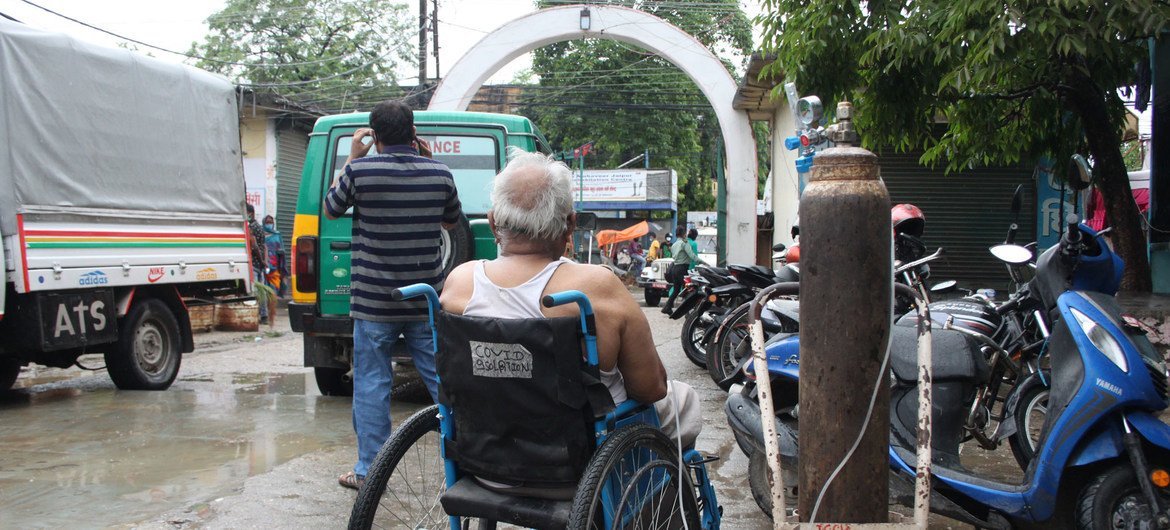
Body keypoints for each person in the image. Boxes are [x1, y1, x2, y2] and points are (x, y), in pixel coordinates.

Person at [440, 150, 701, 450]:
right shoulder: (594, 287)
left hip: (485, 459)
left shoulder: (460, 283)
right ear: (571, 225)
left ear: (493, 222)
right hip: (582, 464)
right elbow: (650, 388)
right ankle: (667, 495)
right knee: (685, 400)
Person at [324, 100, 463, 490]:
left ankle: (369, 471)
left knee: (372, 383)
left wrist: (352, 155)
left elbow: (332, 209)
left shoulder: (359, 170)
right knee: (442, 379)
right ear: (413, 132)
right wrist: (430, 165)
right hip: (423, 301)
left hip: (373, 304)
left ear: (375, 135)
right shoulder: (439, 172)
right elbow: (451, 220)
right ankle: (470, 457)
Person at [661, 226, 698, 314]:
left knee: (677, 290)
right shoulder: (690, 243)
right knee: (689, 290)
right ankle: (687, 312)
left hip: (675, 268)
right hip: (685, 269)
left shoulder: (675, 244)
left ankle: (667, 307)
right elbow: (693, 257)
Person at [246, 204, 268, 323]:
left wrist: (261, 260)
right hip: (260, 265)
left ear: (250, 213)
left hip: (255, 264)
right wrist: (265, 261)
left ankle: (253, 316)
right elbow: (264, 246)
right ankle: (264, 315)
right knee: (262, 290)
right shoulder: (259, 227)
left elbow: (254, 246)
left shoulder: (251, 227)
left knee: (254, 291)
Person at [262, 215, 284, 327]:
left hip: (274, 268)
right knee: (263, 292)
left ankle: (272, 314)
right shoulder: (261, 235)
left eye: (271, 222)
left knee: (273, 292)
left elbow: (282, 251)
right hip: (263, 266)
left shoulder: (277, 235)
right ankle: (264, 314)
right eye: (267, 222)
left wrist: (282, 268)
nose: (269, 223)